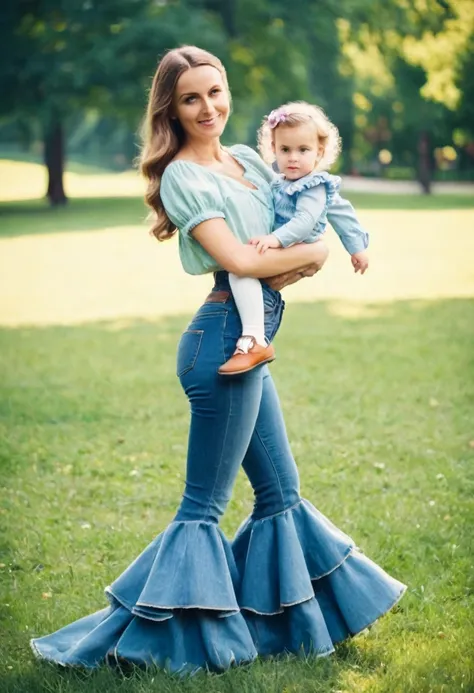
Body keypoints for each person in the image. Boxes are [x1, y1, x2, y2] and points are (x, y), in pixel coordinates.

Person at [30, 46, 406, 675]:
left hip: (251, 343)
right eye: (191, 98)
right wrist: (313, 256)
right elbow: (243, 261)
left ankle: (292, 629)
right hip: (220, 347)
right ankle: (143, 643)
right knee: (203, 507)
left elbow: (298, 225)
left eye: (216, 92)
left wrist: (314, 248)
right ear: (171, 109)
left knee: (281, 494)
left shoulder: (252, 160)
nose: (209, 108)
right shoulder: (182, 175)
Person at [219, 101, 370, 375]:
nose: (293, 158)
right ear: (273, 149)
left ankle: (255, 339)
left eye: (303, 150)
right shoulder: (280, 182)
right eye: (285, 150)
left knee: (241, 270)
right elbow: (343, 212)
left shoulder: (314, 185)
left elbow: (305, 222)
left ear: (319, 152)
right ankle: (254, 329)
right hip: (284, 244)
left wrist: (357, 247)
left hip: (298, 245)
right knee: (244, 274)